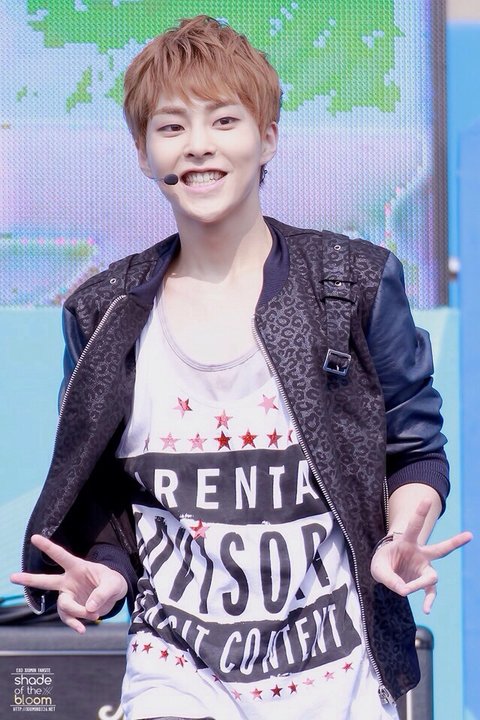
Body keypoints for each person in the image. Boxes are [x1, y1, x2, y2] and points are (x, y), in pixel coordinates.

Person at [11, 15, 472, 720]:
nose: (198, 145)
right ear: (143, 152)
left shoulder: (352, 281)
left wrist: (400, 534)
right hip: (176, 673)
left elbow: (413, 451)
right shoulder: (102, 312)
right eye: (171, 127)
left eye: (224, 120)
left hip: (338, 676)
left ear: (268, 138)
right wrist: (105, 573)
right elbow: (106, 495)